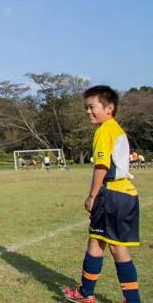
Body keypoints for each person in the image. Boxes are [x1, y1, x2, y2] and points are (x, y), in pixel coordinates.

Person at [62, 85, 140, 303]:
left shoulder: (104, 130)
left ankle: (94, 295)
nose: (88, 111)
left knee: (111, 247)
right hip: (126, 194)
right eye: (86, 107)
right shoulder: (116, 129)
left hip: (111, 195)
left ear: (109, 107)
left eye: (92, 107)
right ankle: (87, 293)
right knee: (102, 243)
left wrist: (92, 195)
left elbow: (101, 166)